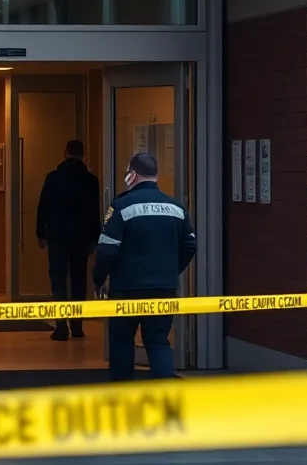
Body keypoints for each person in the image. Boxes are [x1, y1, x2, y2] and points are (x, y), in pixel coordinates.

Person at [92, 151, 197, 380]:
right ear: (156, 175)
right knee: (158, 341)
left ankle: (123, 396)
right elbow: (190, 245)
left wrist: (99, 279)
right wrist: (171, 270)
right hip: (163, 287)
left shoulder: (121, 206)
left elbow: (107, 249)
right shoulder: (176, 207)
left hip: (127, 288)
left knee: (121, 342)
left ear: (133, 175)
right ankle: (163, 395)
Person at [35, 139, 102, 341]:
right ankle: (78, 325)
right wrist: (95, 237)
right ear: (83, 155)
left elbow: (43, 206)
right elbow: (94, 212)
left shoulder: (53, 178)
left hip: (57, 235)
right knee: (78, 279)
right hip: (81, 237)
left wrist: (41, 233)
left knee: (58, 278)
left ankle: (61, 325)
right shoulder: (91, 180)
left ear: (65, 153)